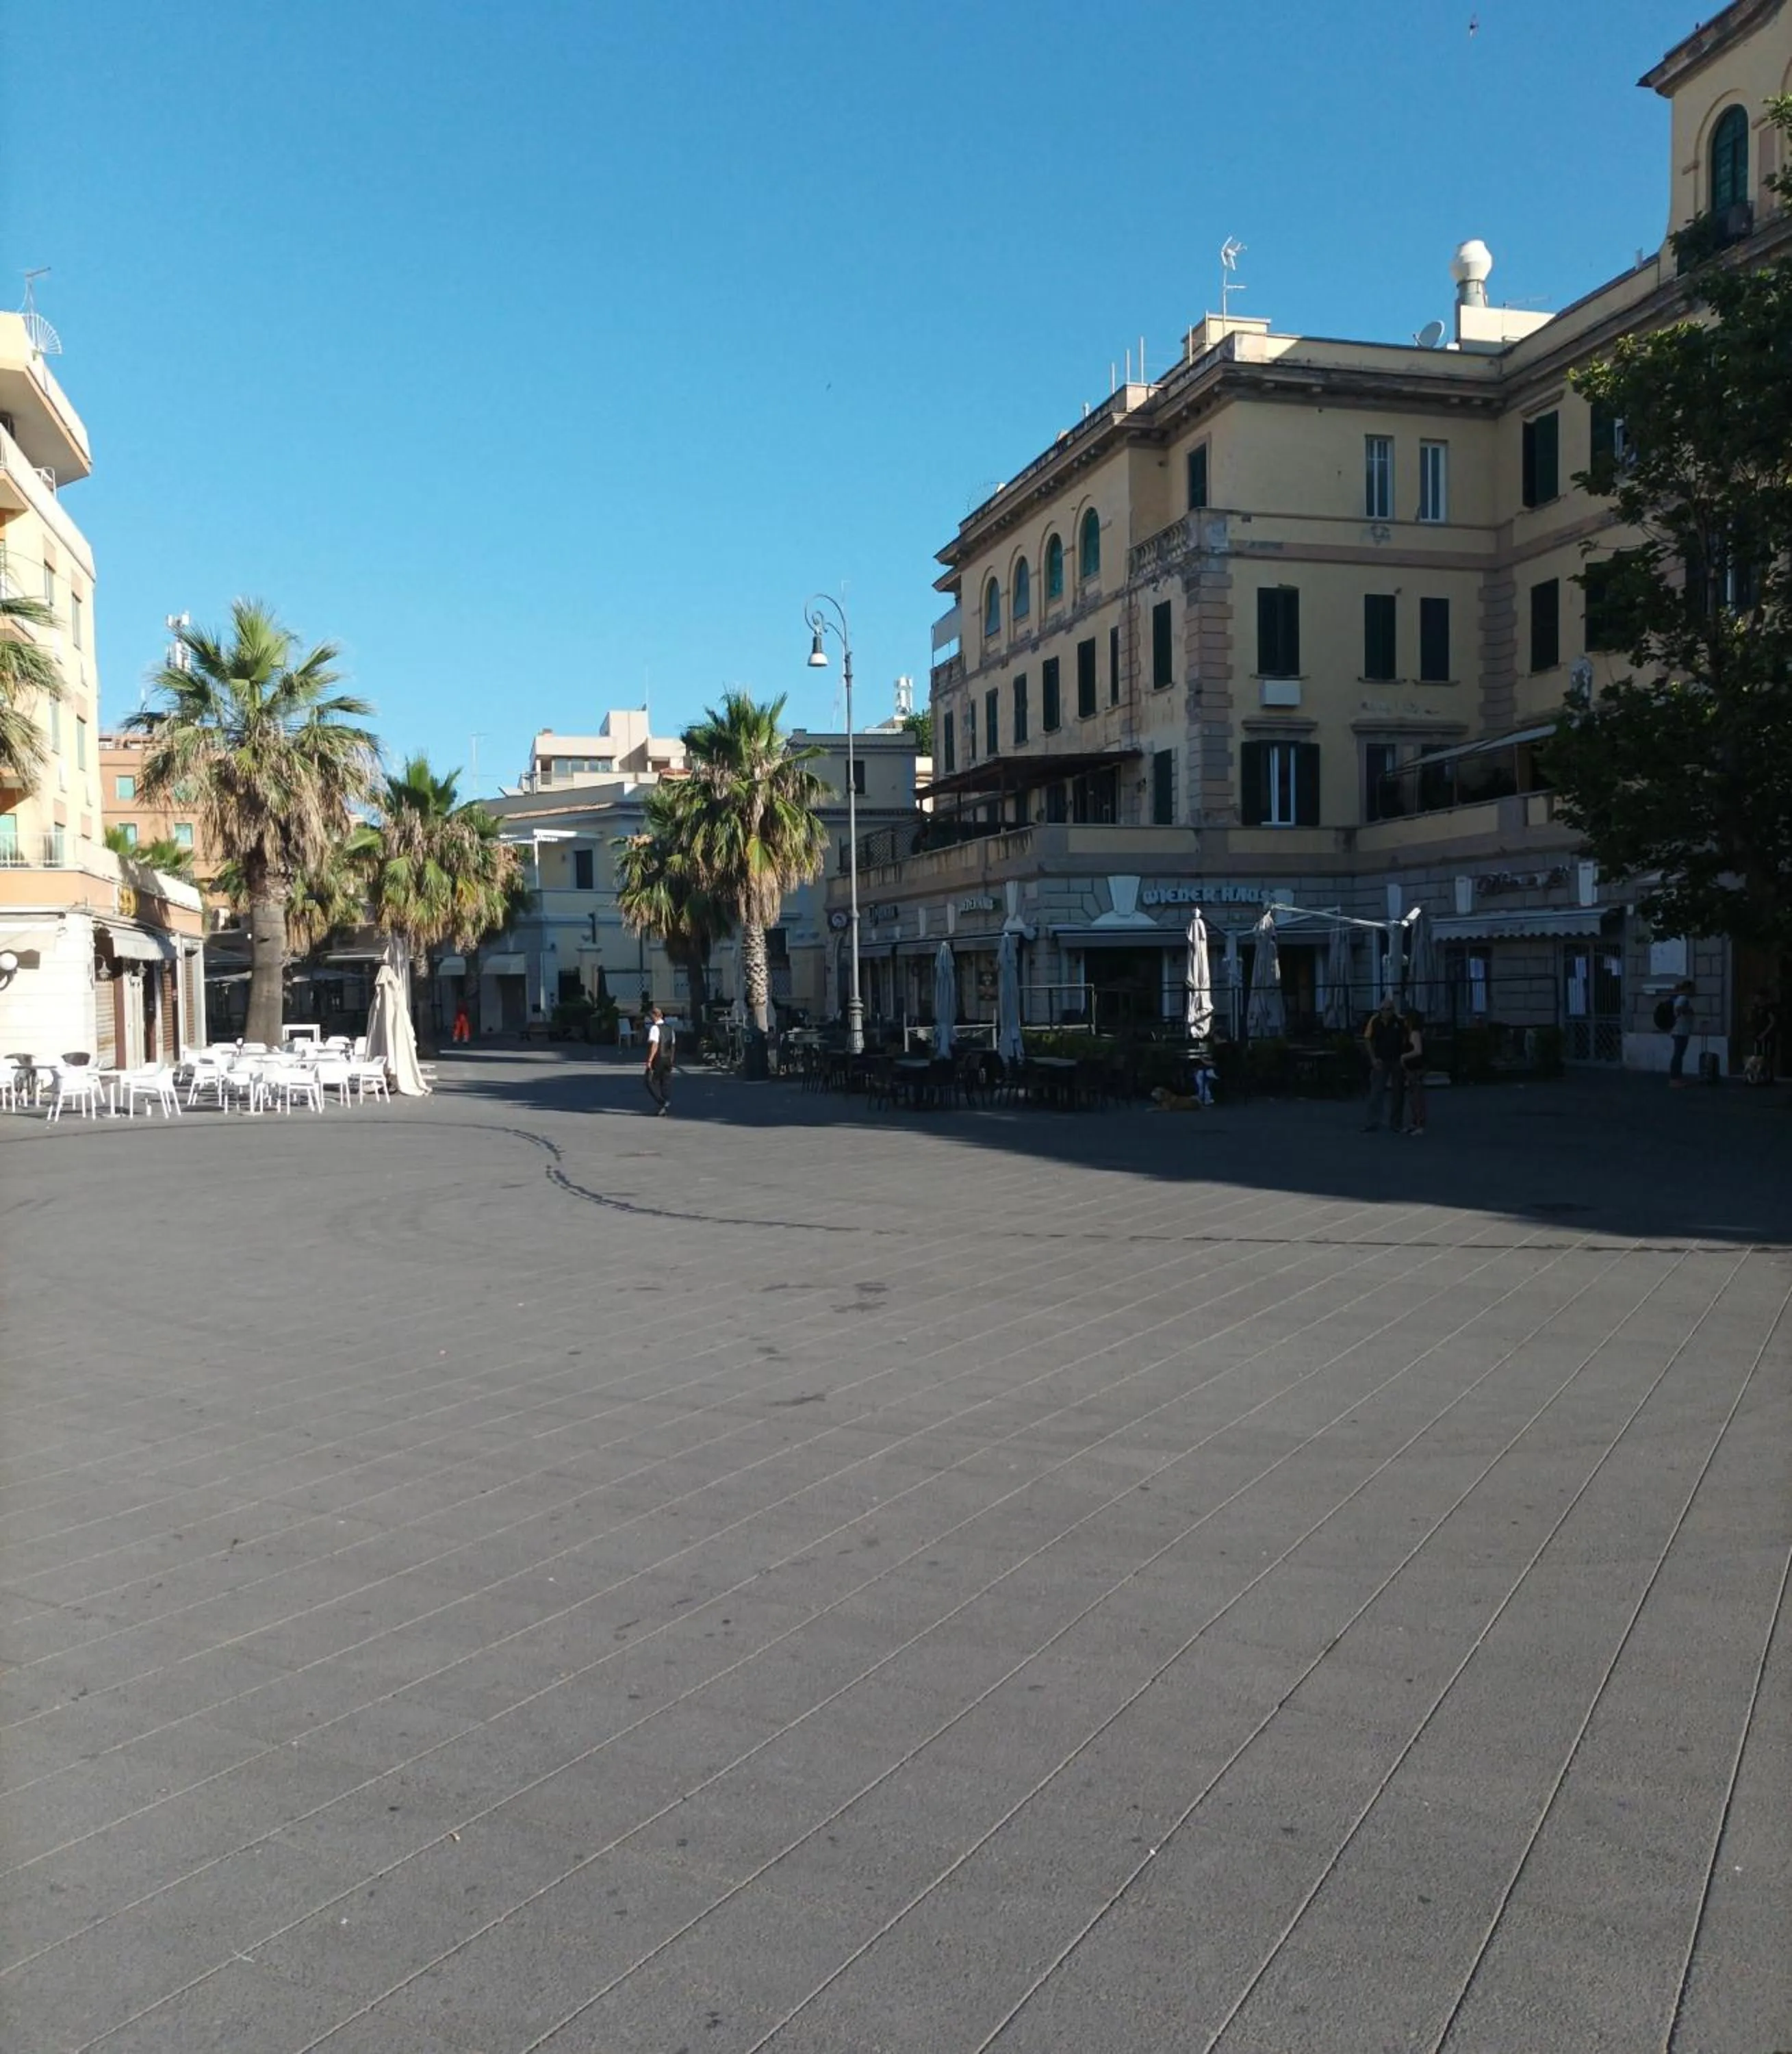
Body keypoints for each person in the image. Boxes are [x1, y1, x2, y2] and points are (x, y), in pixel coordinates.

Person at [1363, 996, 1406, 1131]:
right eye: (1383, 1010)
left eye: (1388, 1009)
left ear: (1393, 1010)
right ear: (1379, 1010)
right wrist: (1373, 1059)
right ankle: (1372, 1122)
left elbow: (1407, 1039)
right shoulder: (1374, 1021)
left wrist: (1404, 1057)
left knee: (1398, 1092)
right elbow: (1367, 1039)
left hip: (1397, 1059)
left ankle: (1396, 1123)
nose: (1386, 1012)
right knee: (1376, 1092)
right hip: (1381, 1059)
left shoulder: (1400, 1021)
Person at [643, 1003, 675, 1115]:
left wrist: (650, 1060)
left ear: (655, 1016)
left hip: (658, 1058)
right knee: (665, 1082)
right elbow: (673, 1045)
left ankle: (662, 1102)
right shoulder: (670, 1028)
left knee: (650, 1081)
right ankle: (664, 1106)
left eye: (651, 1017)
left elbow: (655, 1045)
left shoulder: (655, 1028)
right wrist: (672, 1059)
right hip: (668, 1058)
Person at [1399, 1008, 1428, 1135]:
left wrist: (1403, 1057)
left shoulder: (1414, 1033)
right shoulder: (1410, 1033)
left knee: (1417, 1097)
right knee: (1413, 1096)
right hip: (1411, 1068)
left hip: (1416, 1068)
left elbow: (1418, 1051)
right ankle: (1415, 1122)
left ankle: (1419, 1124)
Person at [1745, 989, 1778, 1085]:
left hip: (1767, 1036)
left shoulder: (1768, 1009)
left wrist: (1764, 1034)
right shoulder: (1755, 1009)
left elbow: (1772, 1022)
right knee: (1758, 1056)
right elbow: (1750, 1020)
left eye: (1758, 998)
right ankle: (1758, 1076)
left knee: (1767, 1056)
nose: (1756, 1000)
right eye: (1755, 998)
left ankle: (1768, 1077)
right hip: (1758, 1035)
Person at [1667, 978, 1696, 1087]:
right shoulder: (1683, 998)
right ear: (1688, 989)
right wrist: (1688, 1011)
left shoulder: (1681, 997)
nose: (1694, 991)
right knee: (1678, 1055)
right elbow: (1678, 1009)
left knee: (1679, 1054)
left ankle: (1677, 1078)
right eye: (1692, 989)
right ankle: (1675, 1079)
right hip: (1680, 1031)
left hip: (1680, 1030)